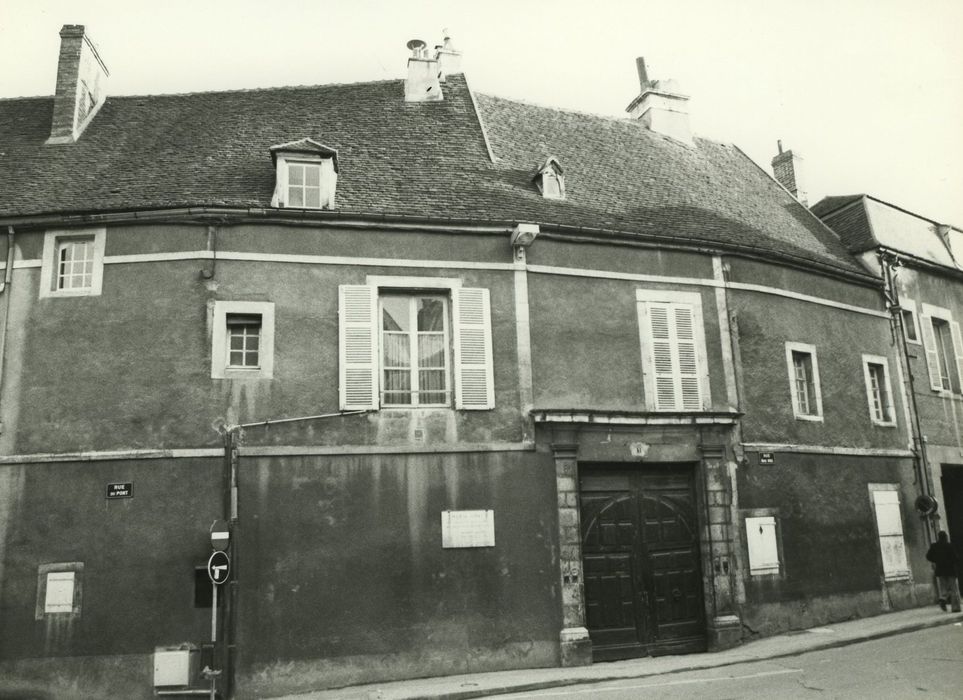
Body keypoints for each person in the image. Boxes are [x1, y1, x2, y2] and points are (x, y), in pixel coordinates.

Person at [926, 530, 961, 613]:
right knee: (953, 589)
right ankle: (955, 608)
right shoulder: (949, 546)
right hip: (950, 570)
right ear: (945, 537)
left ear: (939, 537)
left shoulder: (934, 546)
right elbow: (955, 558)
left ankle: (943, 598)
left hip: (940, 570)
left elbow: (928, 556)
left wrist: (936, 560)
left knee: (943, 587)